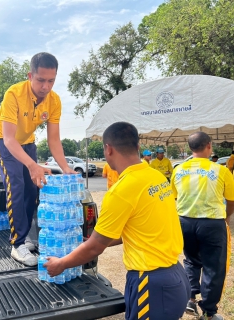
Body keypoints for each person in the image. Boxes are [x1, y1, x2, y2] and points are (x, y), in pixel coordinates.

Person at [45, 122, 190, 320]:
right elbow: (139, 228)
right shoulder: (155, 176)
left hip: (151, 281)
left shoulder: (122, 190)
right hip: (175, 275)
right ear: (138, 147)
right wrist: (86, 243)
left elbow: (96, 247)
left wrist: (61, 263)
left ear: (108, 149)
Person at [0, 52, 75, 266]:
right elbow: (9, 139)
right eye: (40, 80)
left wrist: (66, 167)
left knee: (33, 188)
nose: (45, 87)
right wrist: (31, 165)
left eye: (51, 81)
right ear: (30, 75)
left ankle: (26, 234)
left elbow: (54, 139)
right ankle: (17, 245)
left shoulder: (54, 101)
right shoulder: (14, 94)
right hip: (4, 140)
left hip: (28, 142)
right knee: (17, 185)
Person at [171, 132, 234, 320]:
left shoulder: (178, 169)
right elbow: (233, 202)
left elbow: (173, 198)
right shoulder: (220, 170)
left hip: (184, 222)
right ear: (209, 145)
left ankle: (190, 299)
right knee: (214, 266)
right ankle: (209, 311)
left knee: (191, 261)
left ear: (190, 148)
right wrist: (225, 218)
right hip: (212, 223)